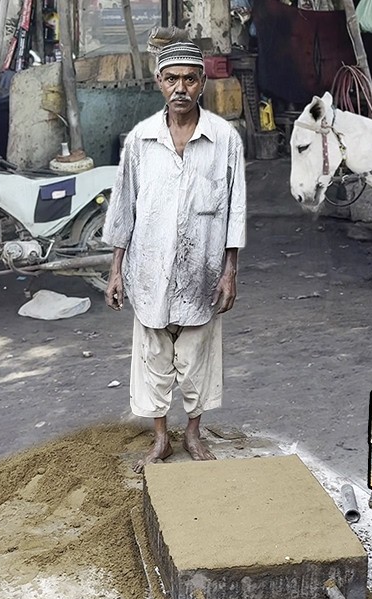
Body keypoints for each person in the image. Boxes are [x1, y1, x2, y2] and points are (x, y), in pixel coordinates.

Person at [103, 41, 248, 473]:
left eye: (189, 78)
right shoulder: (141, 140)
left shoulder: (224, 140)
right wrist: (116, 271)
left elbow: (235, 208)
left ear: (202, 83)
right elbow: (123, 206)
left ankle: (193, 432)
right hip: (149, 267)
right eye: (171, 79)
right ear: (158, 83)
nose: (180, 87)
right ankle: (162, 437)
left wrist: (230, 271)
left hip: (202, 269)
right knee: (152, 355)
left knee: (199, 355)